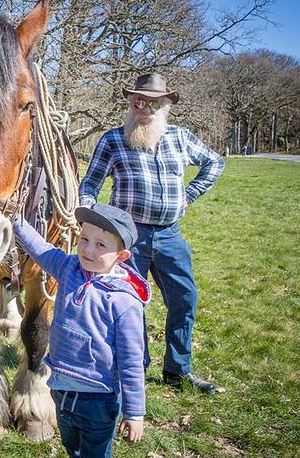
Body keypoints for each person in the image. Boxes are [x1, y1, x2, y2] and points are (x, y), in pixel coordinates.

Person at [79, 72, 224, 394]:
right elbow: (90, 182)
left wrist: (191, 194)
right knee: (128, 304)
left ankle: (177, 370)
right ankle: (134, 368)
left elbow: (214, 162)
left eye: (152, 103)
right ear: (130, 104)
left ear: (165, 106)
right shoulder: (114, 139)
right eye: (138, 102)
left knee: (184, 299)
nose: (144, 107)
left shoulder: (181, 138)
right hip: (130, 238)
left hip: (170, 235)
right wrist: (87, 210)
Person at [13, 203, 151, 458]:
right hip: (60, 388)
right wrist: (15, 219)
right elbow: (42, 250)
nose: (87, 249)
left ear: (121, 257)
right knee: (71, 446)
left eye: (100, 245)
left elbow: (132, 362)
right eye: (84, 238)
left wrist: (134, 413)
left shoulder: (125, 303)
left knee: (94, 453)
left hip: (98, 398)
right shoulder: (69, 269)